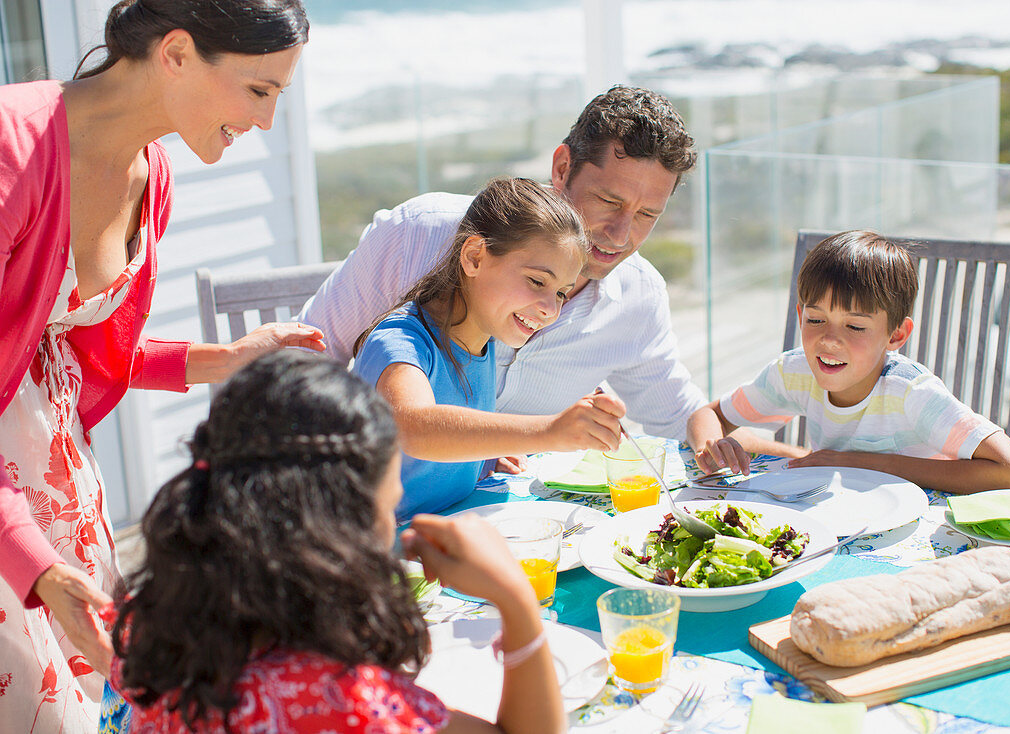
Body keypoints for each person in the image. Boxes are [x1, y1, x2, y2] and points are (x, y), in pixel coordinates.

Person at [0, 2, 324, 730]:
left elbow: (78, 359)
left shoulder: (153, 175)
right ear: (176, 53)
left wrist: (229, 360)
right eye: (259, 90)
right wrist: (37, 569)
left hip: (57, 490)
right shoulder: (11, 147)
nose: (268, 122)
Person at [105, 349, 566, 734]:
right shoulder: (346, 702)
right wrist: (517, 601)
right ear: (336, 532)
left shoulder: (150, 631)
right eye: (389, 508)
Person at [299, 86, 711, 455]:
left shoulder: (638, 297)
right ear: (563, 167)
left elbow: (682, 417)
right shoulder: (416, 239)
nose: (621, 236)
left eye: (646, 215)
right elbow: (303, 369)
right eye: (608, 200)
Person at [687, 230, 1010, 494]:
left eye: (855, 325)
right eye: (815, 319)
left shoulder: (911, 393)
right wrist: (711, 447)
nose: (829, 339)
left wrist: (858, 461)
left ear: (896, 336)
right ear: (800, 315)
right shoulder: (795, 372)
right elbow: (708, 415)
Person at [353, 177, 626, 520]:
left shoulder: (483, 341)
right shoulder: (400, 342)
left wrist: (481, 456)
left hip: (440, 535)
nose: (550, 309)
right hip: (371, 555)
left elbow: (440, 445)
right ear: (474, 257)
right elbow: (416, 429)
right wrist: (549, 431)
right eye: (537, 281)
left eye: (560, 293)